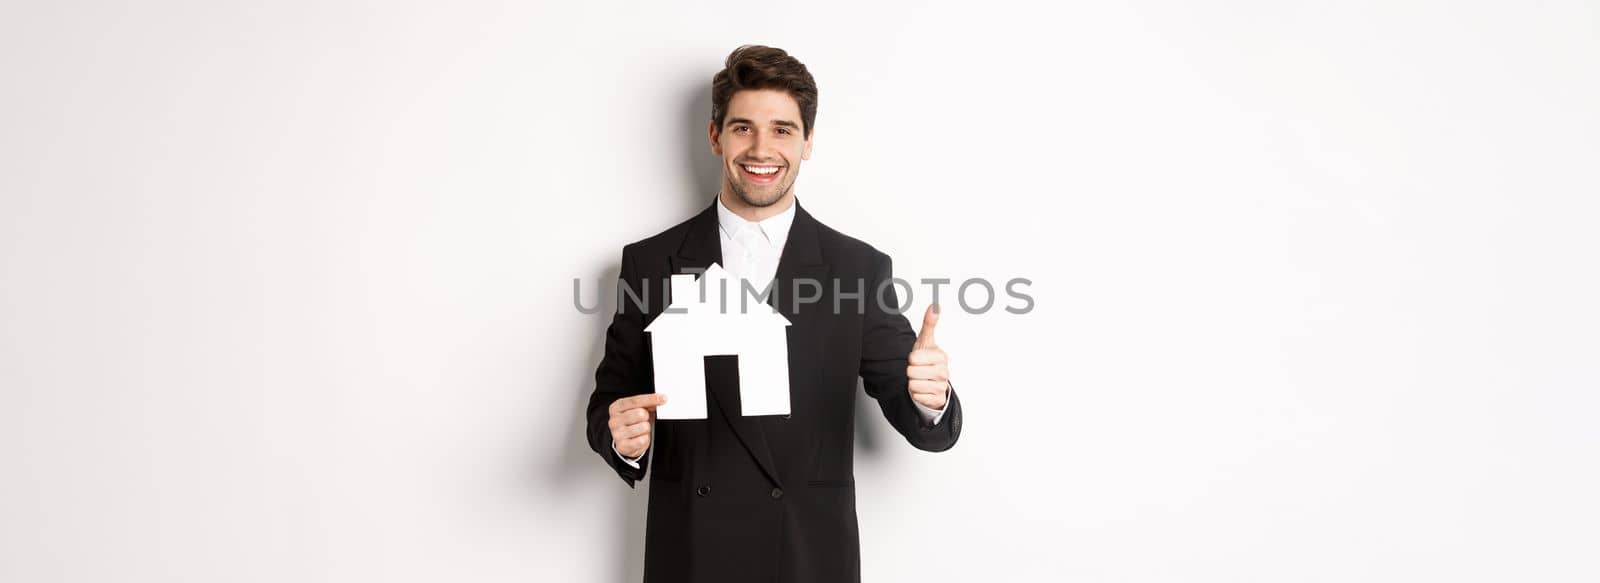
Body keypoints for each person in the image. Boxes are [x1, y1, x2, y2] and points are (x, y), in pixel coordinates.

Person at [585, 44, 963, 583]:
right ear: (716, 137)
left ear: (808, 142)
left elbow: (921, 420)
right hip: (692, 552)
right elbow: (609, 402)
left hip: (809, 555)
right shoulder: (649, 263)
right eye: (743, 128)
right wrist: (618, 435)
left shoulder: (857, 269)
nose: (762, 148)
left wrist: (931, 399)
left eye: (783, 129)